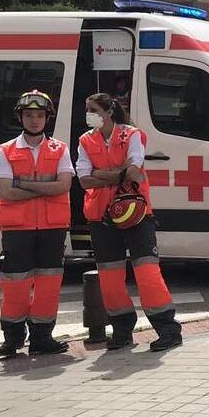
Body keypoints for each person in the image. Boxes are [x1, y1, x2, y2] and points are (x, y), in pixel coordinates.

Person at [76, 93, 182, 352]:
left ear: (109, 112)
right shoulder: (85, 140)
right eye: (87, 110)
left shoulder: (132, 135)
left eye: (93, 110)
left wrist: (100, 174)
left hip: (136, 213)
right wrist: (118, 174)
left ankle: (168, 329)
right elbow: (84, 180)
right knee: (109, 278)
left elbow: (134, 172)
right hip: (101, 216)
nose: (89, 115)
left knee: (147, 273)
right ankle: (122, 329)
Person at [0, 90, 74, 357]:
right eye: (29, 115)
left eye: (39, 115)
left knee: (48, 284)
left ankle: (42, 337)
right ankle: (12, 338)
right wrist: (45, 189)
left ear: (47, 118)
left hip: (52, 228)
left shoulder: (60, 149)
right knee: (15, 284)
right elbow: (6, 192)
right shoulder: (6, 151)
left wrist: (23, 184)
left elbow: (63, 186)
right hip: (18, 229)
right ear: (21, 118)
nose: (34, 120)